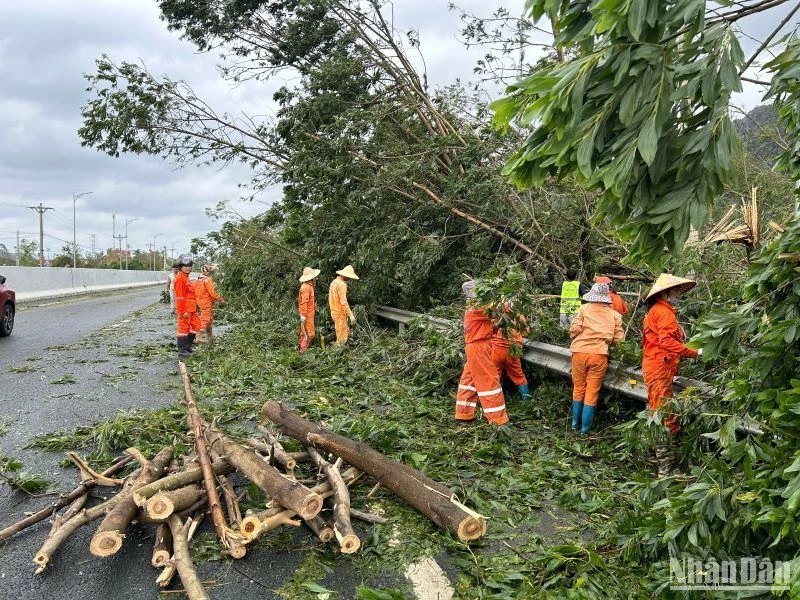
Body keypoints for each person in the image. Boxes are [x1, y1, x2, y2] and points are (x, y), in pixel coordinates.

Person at [642, 274, 701, 437]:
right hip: (659, 367)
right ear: (665, 292)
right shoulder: (663, 312)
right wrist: (694, 353)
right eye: (676, 290)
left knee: (658, 406)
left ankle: (659, 448)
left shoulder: (655, 311)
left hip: (656, 365)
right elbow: (666, 342)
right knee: (665, 409)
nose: (679, 294)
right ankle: (666, 453)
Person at [569, 283, 624, 434]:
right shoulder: (615, 315)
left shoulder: (583, 309)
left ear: (592, 296)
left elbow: (575, 329)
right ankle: (585, 430)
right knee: (592, 391)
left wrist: (575, 336)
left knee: (579, 388)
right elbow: (619, 339)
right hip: (599, 355)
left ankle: (574, 425)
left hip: (579, 352)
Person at [455, 280, 509, 426]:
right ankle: (498, 419)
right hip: (479, 348)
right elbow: (501, 308)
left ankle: (463, 413)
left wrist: (498, 325)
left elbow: (488, 327)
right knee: (489, 380)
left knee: (469, 381)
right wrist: (507, 297)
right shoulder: (477, 306)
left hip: (477, 346)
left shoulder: (475, 307)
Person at [492, 305, 531, 401]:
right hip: (513, 351)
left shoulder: (498, 315)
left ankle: (495, 402)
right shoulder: (519, 316)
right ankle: (527, 403)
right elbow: (526, 332)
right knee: (519, 377)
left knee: (494, 377)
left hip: (497, 350)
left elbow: (490, 330)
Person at [174, 255, 200, 357]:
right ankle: (182, 349)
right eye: (185, 266)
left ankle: (188, 346)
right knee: (183, 329)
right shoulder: (180, 279)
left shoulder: (186, 278)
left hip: (191, 308)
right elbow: (180, 297)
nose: (187, 267)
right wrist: (182, 311)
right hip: (185, 309)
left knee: (196, 325)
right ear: (181, 267)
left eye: (189, 265)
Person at [328, 265, 359, 345]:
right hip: (340, 313)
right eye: (349, 276)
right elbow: (343, 302)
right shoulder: (342, 285)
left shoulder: (334, 282)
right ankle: (337, 353)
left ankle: (327, 340)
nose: (349, 278)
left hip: (334, 312)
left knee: (342, 331)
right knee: (342, 338)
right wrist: (351, 315)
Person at [195, 264, 224, 343]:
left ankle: (210, 336)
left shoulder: (199, 279)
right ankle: (199, 337)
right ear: (208, 272)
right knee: (205, 319)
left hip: (200, 301)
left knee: (209, 320)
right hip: (206, 302)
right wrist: (220, 299)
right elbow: (213, 293)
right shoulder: (207, 280)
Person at [298, 266, 320, 351]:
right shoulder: (306, 287)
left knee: (305, 333)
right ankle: (303, 350)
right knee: (310, 334)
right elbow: (304, 302)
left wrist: (314, 306)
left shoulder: (308, 286)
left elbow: (309, 301)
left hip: (309, 313)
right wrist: (303, 315)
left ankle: (302, 349)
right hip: (307, 315)